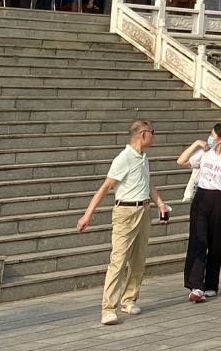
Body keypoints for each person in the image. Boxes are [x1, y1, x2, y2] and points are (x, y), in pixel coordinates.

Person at [76, 119, 169, 327]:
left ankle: (129, 299)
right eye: (152, 132)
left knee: (138, 259)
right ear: (143, 134)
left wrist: (160, 203)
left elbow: (147, 182)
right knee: (118, 260)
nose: (154, 136)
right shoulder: (124, 158)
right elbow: (105, 187)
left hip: (143, 209)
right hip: (125, 211)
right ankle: (108, 308)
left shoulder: (144, 157)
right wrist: (87, 215)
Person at [177, 123, 221, 302]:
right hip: (202, 198)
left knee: (215, 242)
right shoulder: (205, 154)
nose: (209, 137)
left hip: (220, 200)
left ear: (220, 138)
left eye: (211, 135)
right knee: (198, 241)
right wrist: (196, 144)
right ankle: (196, 285)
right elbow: (181, 161)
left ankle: (211, 284)